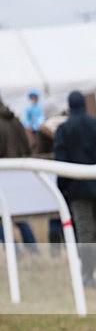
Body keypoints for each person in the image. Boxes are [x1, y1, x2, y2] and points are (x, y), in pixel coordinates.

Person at [54, 90, 96, 286]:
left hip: (77, 190)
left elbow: (61, 162)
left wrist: (62, 189)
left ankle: (88, 276)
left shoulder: (64, 129)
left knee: (84, 232)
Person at [0, 95, 39, 252]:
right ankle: (33, 250)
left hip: (4, 175)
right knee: (21, 217)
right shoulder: (15, 120)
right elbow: (27, 148)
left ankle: (15, 252)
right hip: (19, 175)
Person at [22, 89, 45, 153]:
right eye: (33, 97)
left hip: (39, 128)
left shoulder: (39, 107)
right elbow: (26, 119)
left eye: (35, 97)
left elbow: (41, 117)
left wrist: (39, 124)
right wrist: (29, 126)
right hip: (31, 129)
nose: (34, 99)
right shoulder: (28, 108)